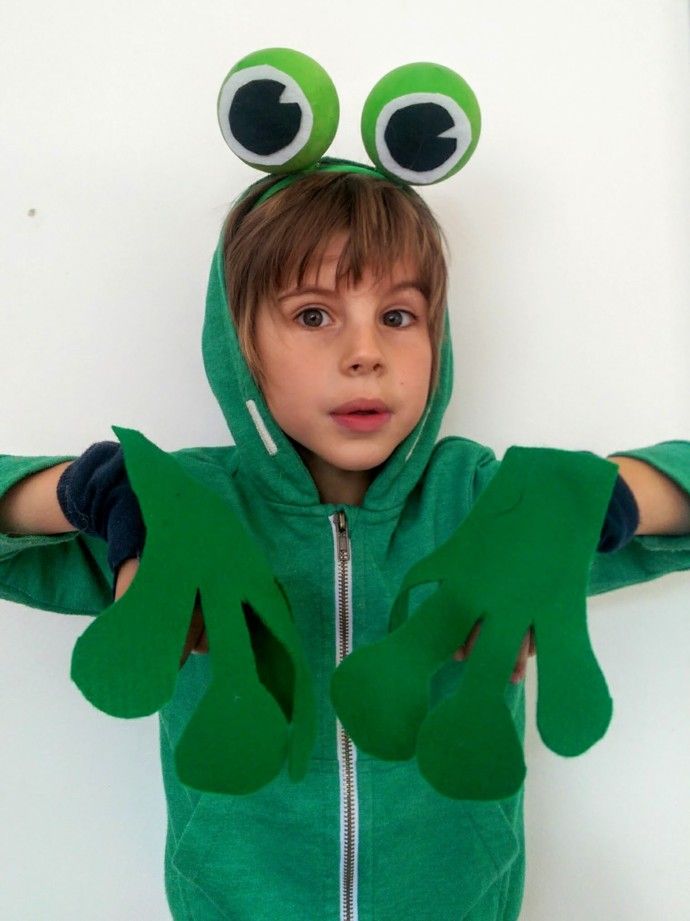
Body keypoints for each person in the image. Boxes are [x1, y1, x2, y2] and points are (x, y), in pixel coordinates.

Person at [1, 162, 690, 921]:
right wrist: (95, 491)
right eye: (314, 315)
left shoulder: (480, 501)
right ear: (241, 345)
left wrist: (594, 499)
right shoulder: (182, 512)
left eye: (398, 316)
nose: (366, 352)